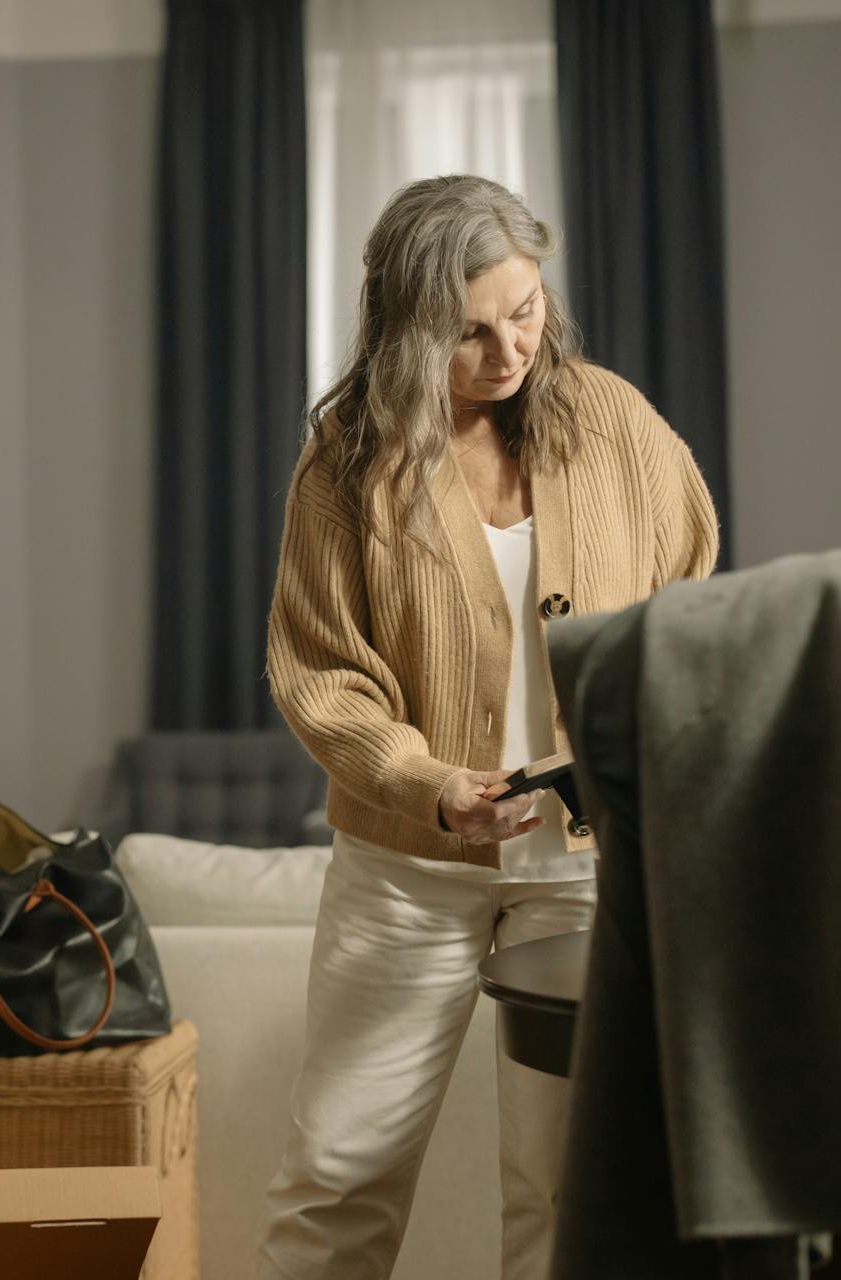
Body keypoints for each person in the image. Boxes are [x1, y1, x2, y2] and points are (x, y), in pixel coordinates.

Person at [256, 175, 718, 1280]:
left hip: (583, 866)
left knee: (568, 1180)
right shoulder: (347, 464)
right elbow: (318, 671)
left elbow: (694, 592)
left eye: (526, 309)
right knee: (339, 1168)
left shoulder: (618, 424)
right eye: (468, 331)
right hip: (406, 867)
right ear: (407, 327)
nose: (509, 348)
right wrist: (425, 778)